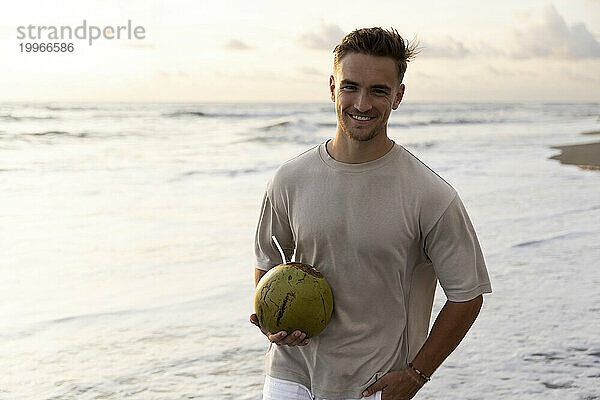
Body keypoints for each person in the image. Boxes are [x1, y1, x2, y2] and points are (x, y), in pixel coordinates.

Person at [250, 27, 492, 400]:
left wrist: (415, 375)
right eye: (351, 87)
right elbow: (267, 262)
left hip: (372, 384)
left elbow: (467, 296)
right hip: (289, 374)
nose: (362, 104)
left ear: (398, 96)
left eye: (379, 90)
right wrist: (273, 322)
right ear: (332, 87)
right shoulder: (289, 179)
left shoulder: (431, 195)